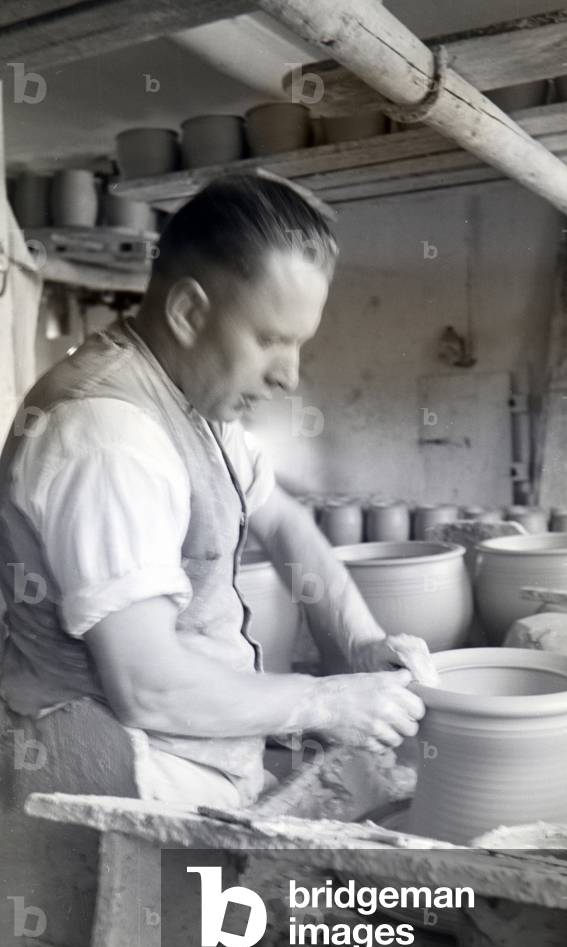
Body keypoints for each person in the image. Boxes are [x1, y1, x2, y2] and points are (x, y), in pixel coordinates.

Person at [0, 175, 434, 810]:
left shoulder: (192, 402)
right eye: (270, 341)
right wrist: (322, 700)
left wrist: (361, 643)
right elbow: (146, 685)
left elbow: (284, 522)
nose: (289, 375)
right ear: (188, 313)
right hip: (112, 779)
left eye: (299, 344)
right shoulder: (109, 437)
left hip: (187, 754)